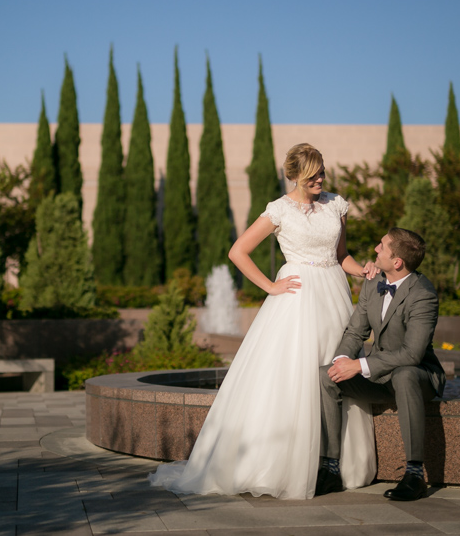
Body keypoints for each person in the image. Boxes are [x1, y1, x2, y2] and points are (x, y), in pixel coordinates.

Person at [149, 143, 378, 500]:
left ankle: (337, 463)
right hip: (297, 298)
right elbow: (237, 251)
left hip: (334, 295)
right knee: (293, 376)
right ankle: (282, 463)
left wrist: (361, 269)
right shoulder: (279, 210)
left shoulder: (336, 204)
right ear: (295, 176)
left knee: (336, 370)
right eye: (313, 174)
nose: (320, 179)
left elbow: (341, 255)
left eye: (322, 172)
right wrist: (271, 286)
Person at [318, 228, 446, 501]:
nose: (375, 249)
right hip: (379, 376)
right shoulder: (372, 283)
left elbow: (412, 354)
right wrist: (342, 361)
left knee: (404, 374)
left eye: (382, 246)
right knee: (326, 375)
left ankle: (414, 475)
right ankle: (329, 469)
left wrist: (359, 365)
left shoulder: (423, 294)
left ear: (397, 261)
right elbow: (355, 332)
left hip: (418, 376)